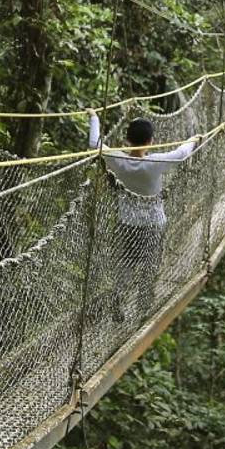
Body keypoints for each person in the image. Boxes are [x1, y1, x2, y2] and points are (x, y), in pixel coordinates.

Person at [87, 109, 199, 323]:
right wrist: (193, 139)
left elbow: (95, 144)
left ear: (127, 139)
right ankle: (143, 308)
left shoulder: (117, 159)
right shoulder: (155, 162)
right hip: (153, 225)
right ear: (151, 140)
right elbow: (182, 152)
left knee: (126, 264)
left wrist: (94, 116)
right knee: (150, 266)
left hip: (127, 222)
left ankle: (118, 297)